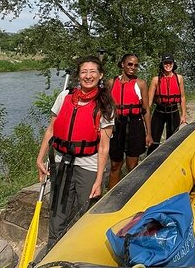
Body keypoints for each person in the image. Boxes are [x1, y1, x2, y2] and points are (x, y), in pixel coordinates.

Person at [36, 55, 114, 248]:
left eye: (92, 72)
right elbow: (51, 129)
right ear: (78, 76)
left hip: (88, 164)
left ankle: (81, 251)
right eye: (84, 72)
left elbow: (104, 146)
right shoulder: (65, 96)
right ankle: (52, 250)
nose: (88, 76)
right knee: (58, 212)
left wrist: (98, 179)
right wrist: (40, 158)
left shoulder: (105, 104)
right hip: (61, 161)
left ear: (100, 75)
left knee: (85, 211)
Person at [107, 53, 152, 188]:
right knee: (115, 165)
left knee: (132, 165)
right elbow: (105, 108)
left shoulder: (141, 84)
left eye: (136, 65)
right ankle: (110, 197)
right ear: (123, 65)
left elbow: (146, 110)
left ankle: (130, 195)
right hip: (117, 125)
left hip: (135, 124)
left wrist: (148, 133)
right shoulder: (111, 83)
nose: (133, 67)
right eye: (130, 64)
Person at [146, 53, 187, 155]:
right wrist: (146, 117)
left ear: (173, 64)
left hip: (173, 111)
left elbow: (182, 97)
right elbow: (149, 102)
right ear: (162, 64)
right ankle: (151, 162)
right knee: (154, 141)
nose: (168, 65)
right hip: (159, 112)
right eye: (165, 63)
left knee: (172, 141)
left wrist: (183, 115)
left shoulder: (179, 78)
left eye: (170, 63)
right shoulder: (156, 80)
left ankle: (170, 160)